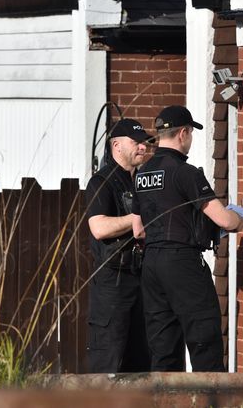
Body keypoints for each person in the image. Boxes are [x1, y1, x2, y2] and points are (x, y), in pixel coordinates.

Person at [131, 105, 243, 372]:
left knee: (163, 346)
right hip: (182, 262)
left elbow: (138, 229)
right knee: (204, 337)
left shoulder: (143, 173)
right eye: (191, 133)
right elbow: (224, 220)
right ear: (183, 133)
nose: (191, 139)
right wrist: (239, 219)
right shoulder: (186, 172)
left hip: (151, 265)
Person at [84, 118, 152, 373]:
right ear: (116, 145)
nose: (143, 148)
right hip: (113, 283)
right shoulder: (102, 181)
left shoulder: (142, 181)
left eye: (144, 143)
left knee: (142, 364)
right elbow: (99, 228)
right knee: (109, 363)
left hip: (144, 279)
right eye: (136, 143)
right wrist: (136, 218)